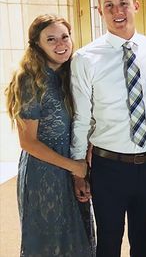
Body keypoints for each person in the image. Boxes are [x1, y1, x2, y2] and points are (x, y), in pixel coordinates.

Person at [70, 0, 146, 257]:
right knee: (109, 244)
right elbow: (80, 119)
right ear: (100, 11)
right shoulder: (85, 58)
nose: (117, 11)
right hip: (107, 167)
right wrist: (79, 171)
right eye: (109, 5)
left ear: (135, 5)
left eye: (123, 3)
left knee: (144, 243)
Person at [5, 14, 96, 256]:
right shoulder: (28, 79)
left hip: (72, 166)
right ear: (37, 45)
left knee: (78, 239)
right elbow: (28, 142)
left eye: (65, 37)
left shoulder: (71, 73)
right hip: (43, 174)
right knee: (50, 243)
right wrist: (73, 166)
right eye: (51, 39)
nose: (61, 44)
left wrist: (80, 168)